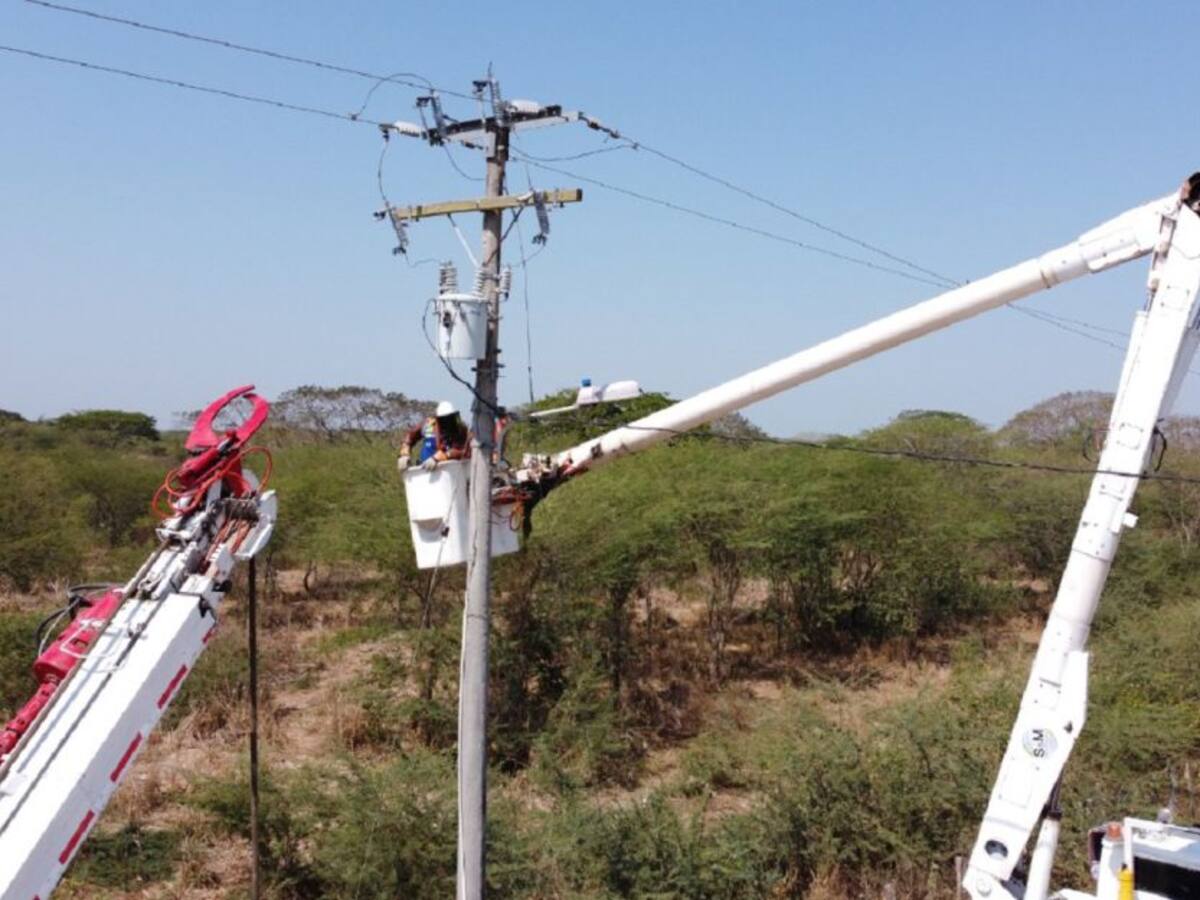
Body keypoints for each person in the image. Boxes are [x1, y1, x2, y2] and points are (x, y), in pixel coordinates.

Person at [398, 400, 470, 471]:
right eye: (444, 418)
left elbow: (465, 452)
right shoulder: (428, 425)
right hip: (423, 471)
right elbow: (410, 437)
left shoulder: (460, 430)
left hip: (448, 471)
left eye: (449, 418)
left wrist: (446, 455)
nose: (447, 421)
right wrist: (404, 453)